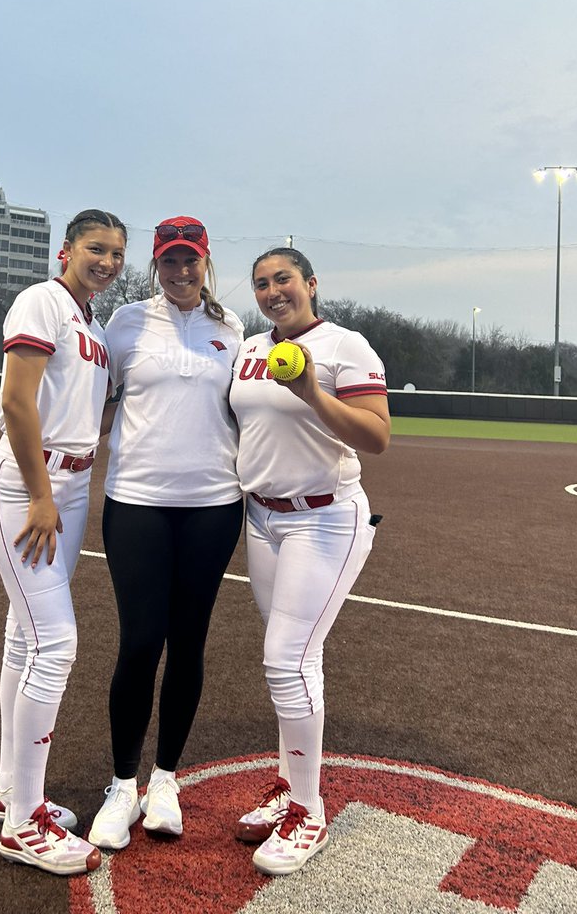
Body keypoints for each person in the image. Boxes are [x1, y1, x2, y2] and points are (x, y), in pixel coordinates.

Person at [229, 247, 390, 877]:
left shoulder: (346, 346)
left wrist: (311, 392)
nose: (273, 292)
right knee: (294, 657)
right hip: (263, 518)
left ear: (311, 284)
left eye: (284, 280)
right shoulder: (248, 348)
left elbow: (377, 437)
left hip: (324, 517)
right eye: (262, 284)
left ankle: (307, 809)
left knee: (286, 658)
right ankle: (288, 784)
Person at [0, 209, 127, 877]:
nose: (108, 261)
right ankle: (23, 823)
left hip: (64, 486)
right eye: (97, 248)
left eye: (118, 252)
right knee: (55, 642)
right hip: (27, 484)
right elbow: (17, 402)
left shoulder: (89, 320)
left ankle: (11, 786)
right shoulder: (42, 299)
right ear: (67, 249)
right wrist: (41, 495)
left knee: (23, 634)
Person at [88, 217, 244, 851]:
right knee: (140, 642)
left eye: (192, 260)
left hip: (213, 504)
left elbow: (249, 412)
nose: (181, 272)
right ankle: (122, 784)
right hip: (138, 503)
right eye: (170, 261)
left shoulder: (233, 329)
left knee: (189, 643)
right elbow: (91, 402)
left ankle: (165, 780)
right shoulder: (125, 323)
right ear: (156, 263)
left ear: (206, 261)